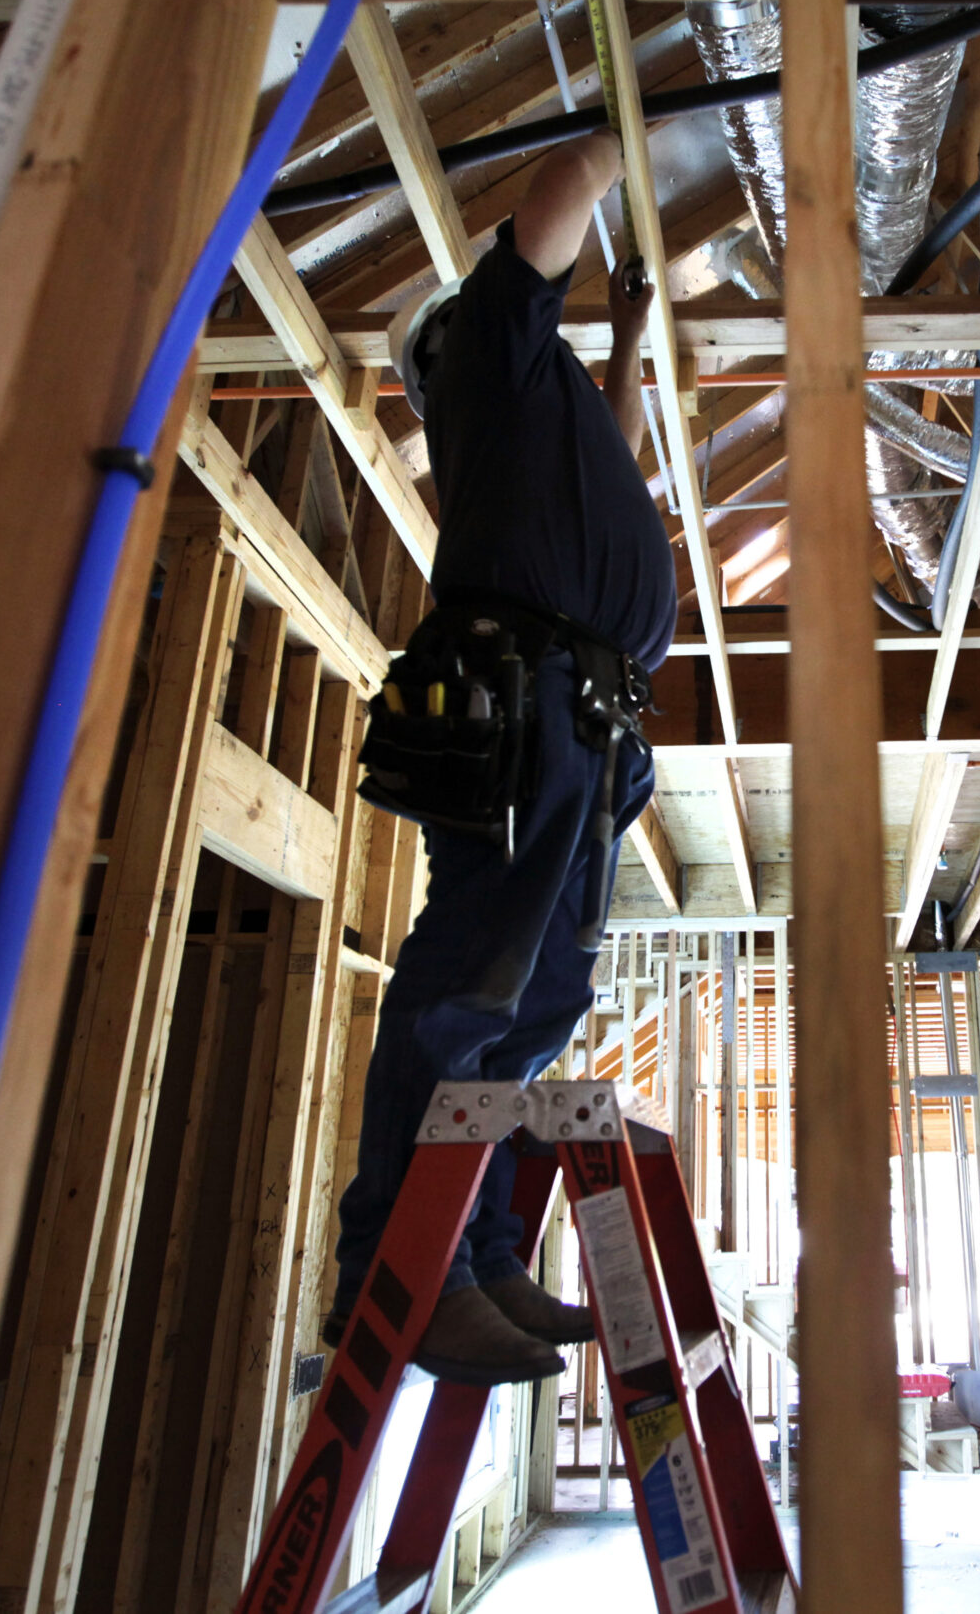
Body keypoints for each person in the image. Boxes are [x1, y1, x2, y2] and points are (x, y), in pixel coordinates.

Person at [329, 131, 673, 1385]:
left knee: (539, 999)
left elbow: (619, 452)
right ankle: (394, 1272)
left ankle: (464, 1243)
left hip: (586, 718)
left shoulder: (549, 409)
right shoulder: (486, 346)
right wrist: (628, 137)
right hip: (527, 699)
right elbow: (561, 195)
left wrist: (630, 342)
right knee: (471, 978)